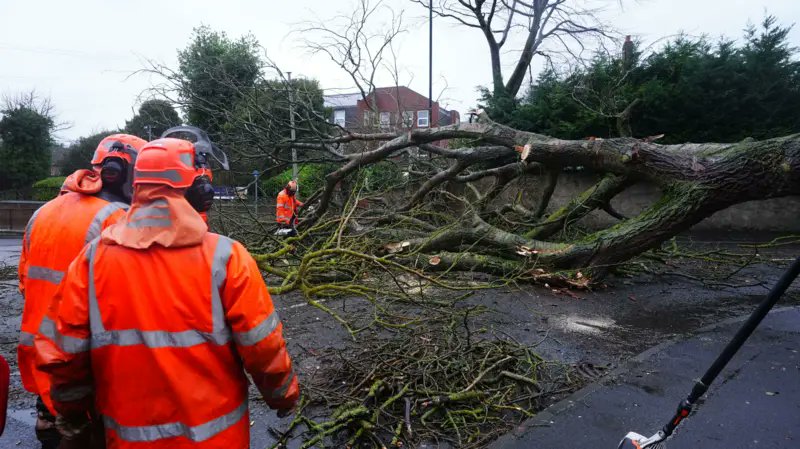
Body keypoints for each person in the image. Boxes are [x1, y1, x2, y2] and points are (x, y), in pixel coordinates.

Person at [35, 136, 299, 448]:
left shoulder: (92, 260)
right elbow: (263, 346)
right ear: (194, 188)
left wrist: (74, 417)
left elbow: (65, 354)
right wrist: (283, 396)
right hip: (217, 440)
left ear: (136, 187)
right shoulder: (226, 258)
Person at [18, 134, 146, 448]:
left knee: (54, 424)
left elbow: (25, 283)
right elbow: (126, 304)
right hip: (86, 366)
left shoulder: (43, 213)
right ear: (126, 172)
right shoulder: (119, 220)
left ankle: (48, 421)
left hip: (44, 356)